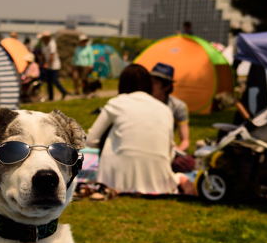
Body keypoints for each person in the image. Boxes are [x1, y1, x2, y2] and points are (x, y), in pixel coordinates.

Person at [86, 64, 194, 195]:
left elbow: (90, 140)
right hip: (158, 182)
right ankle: (181, 180)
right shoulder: (165, 110)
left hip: (114, 181)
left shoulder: (116, 103)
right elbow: (169, 152)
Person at [148, 62, 192, 172]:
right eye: (149, 81)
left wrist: (173, 152)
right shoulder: (142, 102)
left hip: (166, 151)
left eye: (155, 83)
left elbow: (185, 141)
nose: (149, 85)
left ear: (166, 86)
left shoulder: (178, 107)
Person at [37, 31, 68, 101]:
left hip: (54, 65)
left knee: (54, 80)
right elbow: (43, 54)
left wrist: (47, 64)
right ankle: (51, 97)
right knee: (49, 82)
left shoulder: (52, 43)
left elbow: (52, 56)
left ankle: (64, 92)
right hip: (48, 65)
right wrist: (43, 62)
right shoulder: (43, 44)